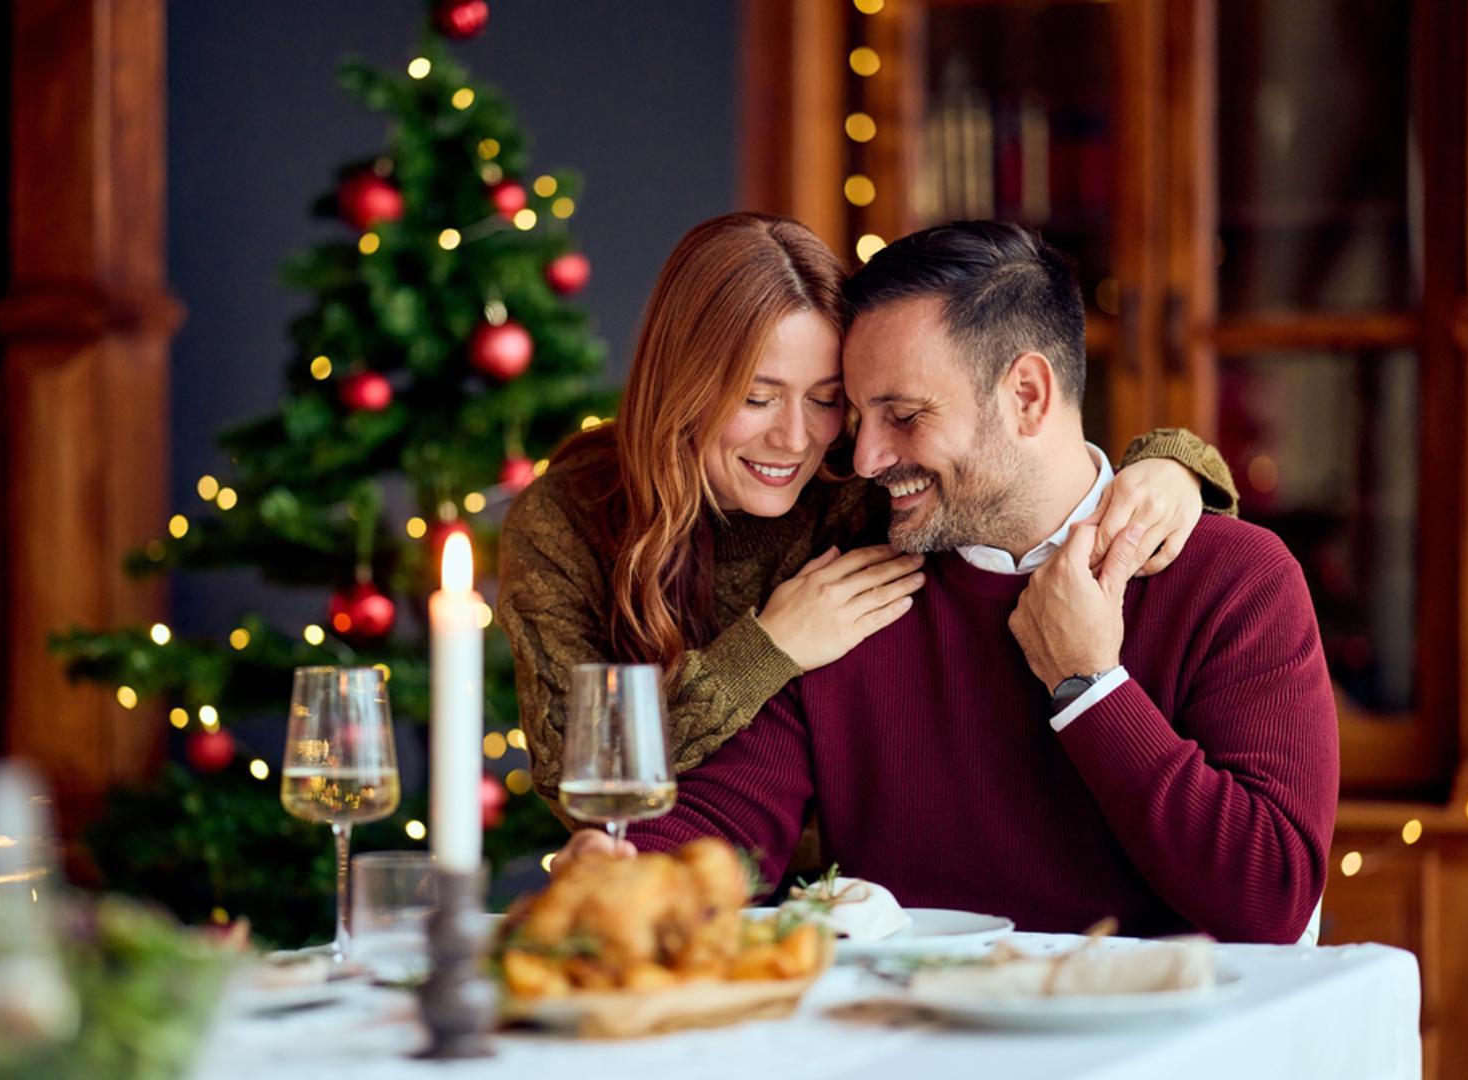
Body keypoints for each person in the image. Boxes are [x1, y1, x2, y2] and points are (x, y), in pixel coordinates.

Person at [555, 222, 1338, 944]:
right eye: (857, 415)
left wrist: (1089, 687)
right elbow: (730, 819)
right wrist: (624, 865)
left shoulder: (1235, 580)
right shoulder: (855, 588)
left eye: (903, 415)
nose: (863, 460)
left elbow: (1270, 899)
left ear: (1026, 396)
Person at [498, 212, 1238, 826]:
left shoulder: (859, 479)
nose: (798, 439)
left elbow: (1018, 469)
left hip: (852, 905)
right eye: (757, 398)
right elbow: (577, 778)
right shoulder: (569, 520)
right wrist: (768, 650)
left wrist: (1173, 462)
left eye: (826, 399)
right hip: (683, 878)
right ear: (683, 386)